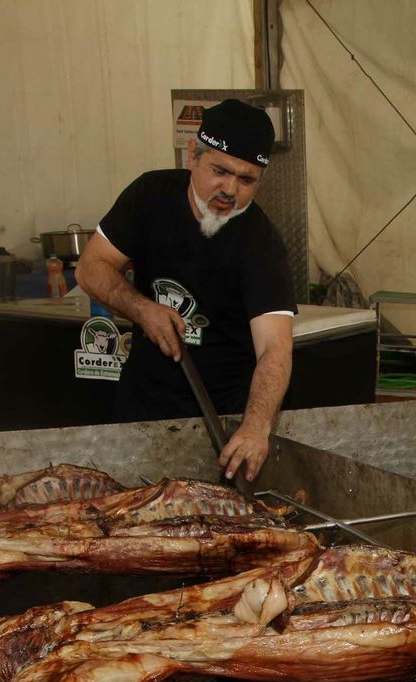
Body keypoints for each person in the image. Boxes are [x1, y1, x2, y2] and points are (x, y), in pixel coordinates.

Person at [77, 99, 295, 481]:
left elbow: (275, 347)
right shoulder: (150, 195)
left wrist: (256, 426)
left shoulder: (261, 244)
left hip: (222, 412)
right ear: (193, 155)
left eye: (247, 180)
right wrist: (141, 309)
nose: (230, 189)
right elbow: (90, 268)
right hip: (144, 400)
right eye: (220, 171)